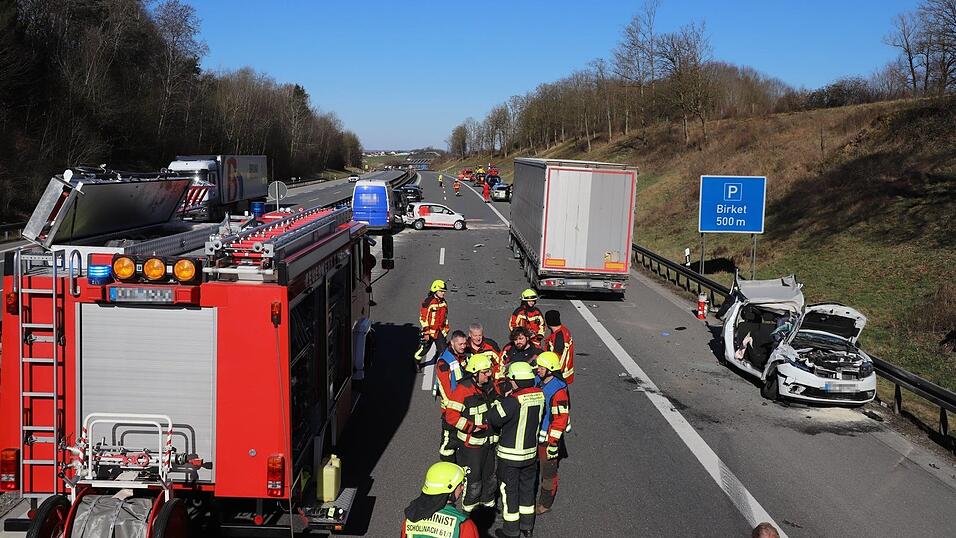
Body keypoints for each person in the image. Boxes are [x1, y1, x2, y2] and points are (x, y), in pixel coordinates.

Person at [488, 362, 545, 538]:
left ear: (515, 380)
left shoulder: (514, 400)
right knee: (528, 491)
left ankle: (511, 531)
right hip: (530, 455)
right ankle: (527, 527)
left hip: (510, 456)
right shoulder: (540, 395)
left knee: (509, 492)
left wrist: (502, 399)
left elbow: (495, 418)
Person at [443, 352, 497, 512]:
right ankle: (470, 512)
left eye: (489, 371)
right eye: (485, 372)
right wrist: (472, 428)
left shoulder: (487, 386)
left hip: (488, 443)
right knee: (473, 482)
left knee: (490, 478)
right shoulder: (462, 390)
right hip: (471, 446)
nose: (489, 375)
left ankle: (488, 507)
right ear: (474, 373)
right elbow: (451, 416)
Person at [533, 352, 570, 515]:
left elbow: (560, 420)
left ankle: (545, 504)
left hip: (548, 439)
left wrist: (553, 443)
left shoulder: (558, 391)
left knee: (548, 473)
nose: (538, 369)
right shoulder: (540, 381)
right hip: (537, 435)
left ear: (550, 369)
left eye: (541, 367)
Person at [402, 462, 479, 538]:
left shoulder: (411, 517)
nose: (462, 488)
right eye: (460, 485)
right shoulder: (464, 525)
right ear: (449, 489)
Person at [434, 331, 470, 462]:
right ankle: (447, 466)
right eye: (460, 344)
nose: (463, 346)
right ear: (452, 343)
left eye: (465, 343)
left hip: (462, 408)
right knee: (448, 444)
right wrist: (453, 410)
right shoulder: (444, 363)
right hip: (451, 411)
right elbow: (445, 391)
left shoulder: (462, 357)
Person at [415, 279, 449, 370]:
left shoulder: (443, 302)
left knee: (444, 350)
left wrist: (445, 329)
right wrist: (426, 332)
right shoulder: (428, 302)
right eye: (441, 291)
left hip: (439, 332)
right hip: (429, 332)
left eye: (444, 291)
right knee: (424, 350)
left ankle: (444, 369)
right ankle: (416, 361)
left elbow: (445, 317)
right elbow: (423, 318)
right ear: (435, 290)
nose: (443, 293)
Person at [542, 310, 575, 385]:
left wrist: (550, 373)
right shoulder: (564, 330)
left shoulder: (558, 337)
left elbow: (557, 357)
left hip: (558, 375)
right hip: (563, 373)